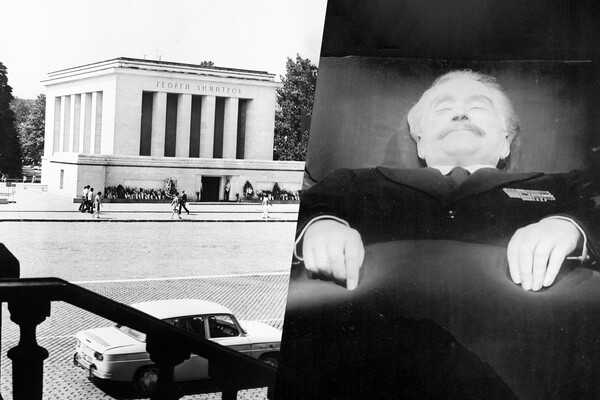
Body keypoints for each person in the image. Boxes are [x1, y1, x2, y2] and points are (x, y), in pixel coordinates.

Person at [296, 70, 599, 292]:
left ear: (505, 143)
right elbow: (303, 210)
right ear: (421, 143)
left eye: (478, 107)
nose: (460, 114)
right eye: (443, 109)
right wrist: (320, 225)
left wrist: (571, 227)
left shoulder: (562, 186)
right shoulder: (355, 180)